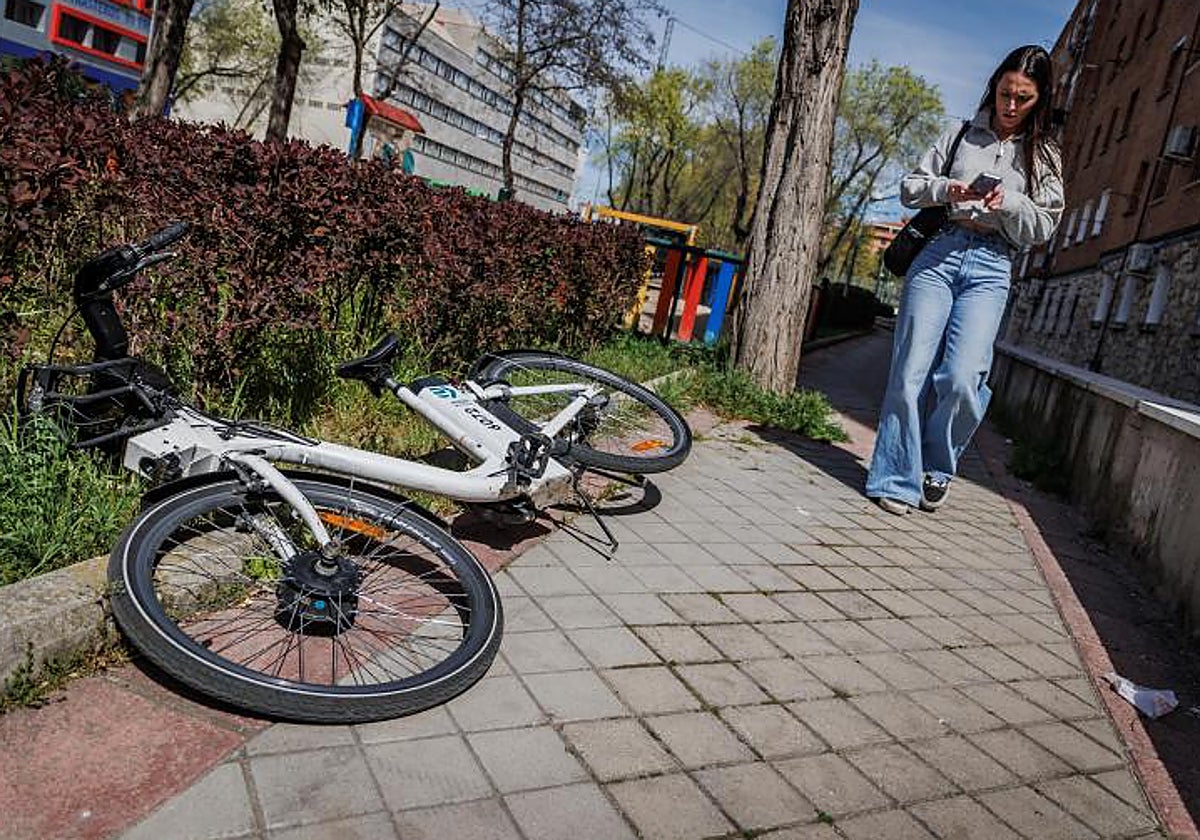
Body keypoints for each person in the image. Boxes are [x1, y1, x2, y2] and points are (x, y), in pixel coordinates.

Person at [866, 45, 1064, 515]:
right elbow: (910, 187)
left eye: (1023, 98)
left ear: (1041, 100)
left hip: (993, 265)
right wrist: (947, 189)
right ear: (993, 86)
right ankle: (895, 478)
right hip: (939, 252)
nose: (1010, 106)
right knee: (910, 368)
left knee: (961, 376)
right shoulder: (958, 134)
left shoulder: (1046, 157)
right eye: (1004, 93)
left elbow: (1045, 227)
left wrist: (1010, 204)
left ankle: (938, 463)